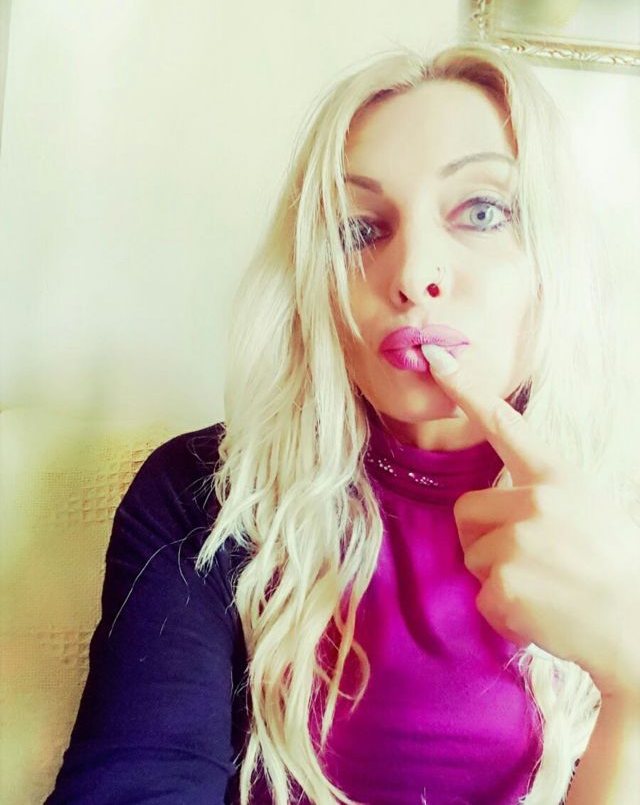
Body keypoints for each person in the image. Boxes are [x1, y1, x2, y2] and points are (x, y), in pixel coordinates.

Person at [44, 42, 640, 805]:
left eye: (483, 212)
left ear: (554, 263)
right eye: (360, 230)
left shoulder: (620, 517)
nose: (414, 275)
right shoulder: (203, 498)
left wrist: (632, 691)